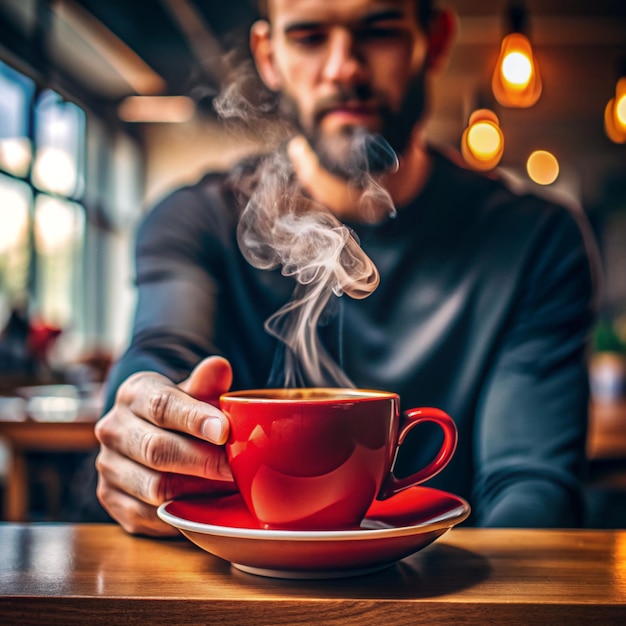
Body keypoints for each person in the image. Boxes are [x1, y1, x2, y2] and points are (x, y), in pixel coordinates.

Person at [94, 0, 599, 536]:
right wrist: (146, 433)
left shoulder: (536, 241)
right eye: (309, 36)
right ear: (268, 55)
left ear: (435, 39)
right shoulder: (194, 222)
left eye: (378, 31)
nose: (343, 68)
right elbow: (164, 352)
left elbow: (532, 487)